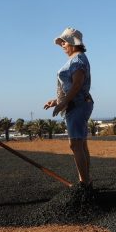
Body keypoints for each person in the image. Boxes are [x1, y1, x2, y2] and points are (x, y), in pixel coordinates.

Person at [43, 27, 94, 186]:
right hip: (79, 102)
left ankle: (84, 183)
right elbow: (71, 86)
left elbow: (77, 84)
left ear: (73, 43)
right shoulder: (77, 59)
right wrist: (57, 101)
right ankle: (85, 181)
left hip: (77, 104)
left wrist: (64, 102)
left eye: (64, 42)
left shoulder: (77, 60)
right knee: (81, 144)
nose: (62, 45)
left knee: (75, 144)